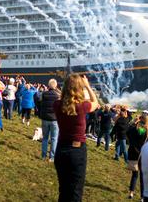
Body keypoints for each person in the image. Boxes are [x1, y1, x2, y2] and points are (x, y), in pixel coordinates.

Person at [53, 74, 99, 202]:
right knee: (75, 192)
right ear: (79, 88)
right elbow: (95, 103)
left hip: (61, 150)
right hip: (77, 151)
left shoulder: (57, 105)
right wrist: (88, 86)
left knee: (63, 191)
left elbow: (63, 100)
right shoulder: (82, 106)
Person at [126, 114, 148, 199]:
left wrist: (134, 122)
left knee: (134, 174)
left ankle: (131, 193)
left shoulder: (134, 129)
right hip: (143, 154)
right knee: (142, 176)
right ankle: (142, 197)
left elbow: (127, 131)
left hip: (133, 153)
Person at [39, 78, 61, 161]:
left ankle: (43, 156)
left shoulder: (44, 94)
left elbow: (39, 101)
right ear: (55, 86)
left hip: (45, 118)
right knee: (54, 139)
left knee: (45, 138)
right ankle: (52, 157)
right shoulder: (58, 96)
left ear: (48, 85)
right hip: (55, 119)